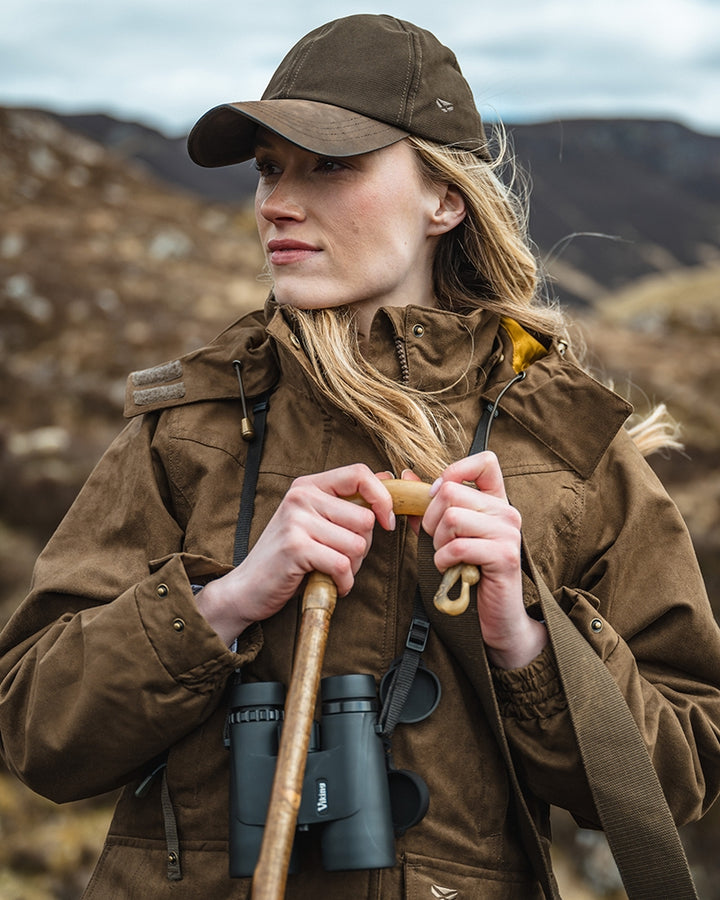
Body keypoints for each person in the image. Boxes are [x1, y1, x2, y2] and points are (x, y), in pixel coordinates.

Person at [1, 14, 718, 900]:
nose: (275, 203)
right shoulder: (187, 427)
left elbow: (685, 769)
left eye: (330, 165)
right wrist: (222, 605)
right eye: (270, 169)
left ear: (444, 199)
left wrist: (527, 643)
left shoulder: (575, 451)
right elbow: (35, 729)